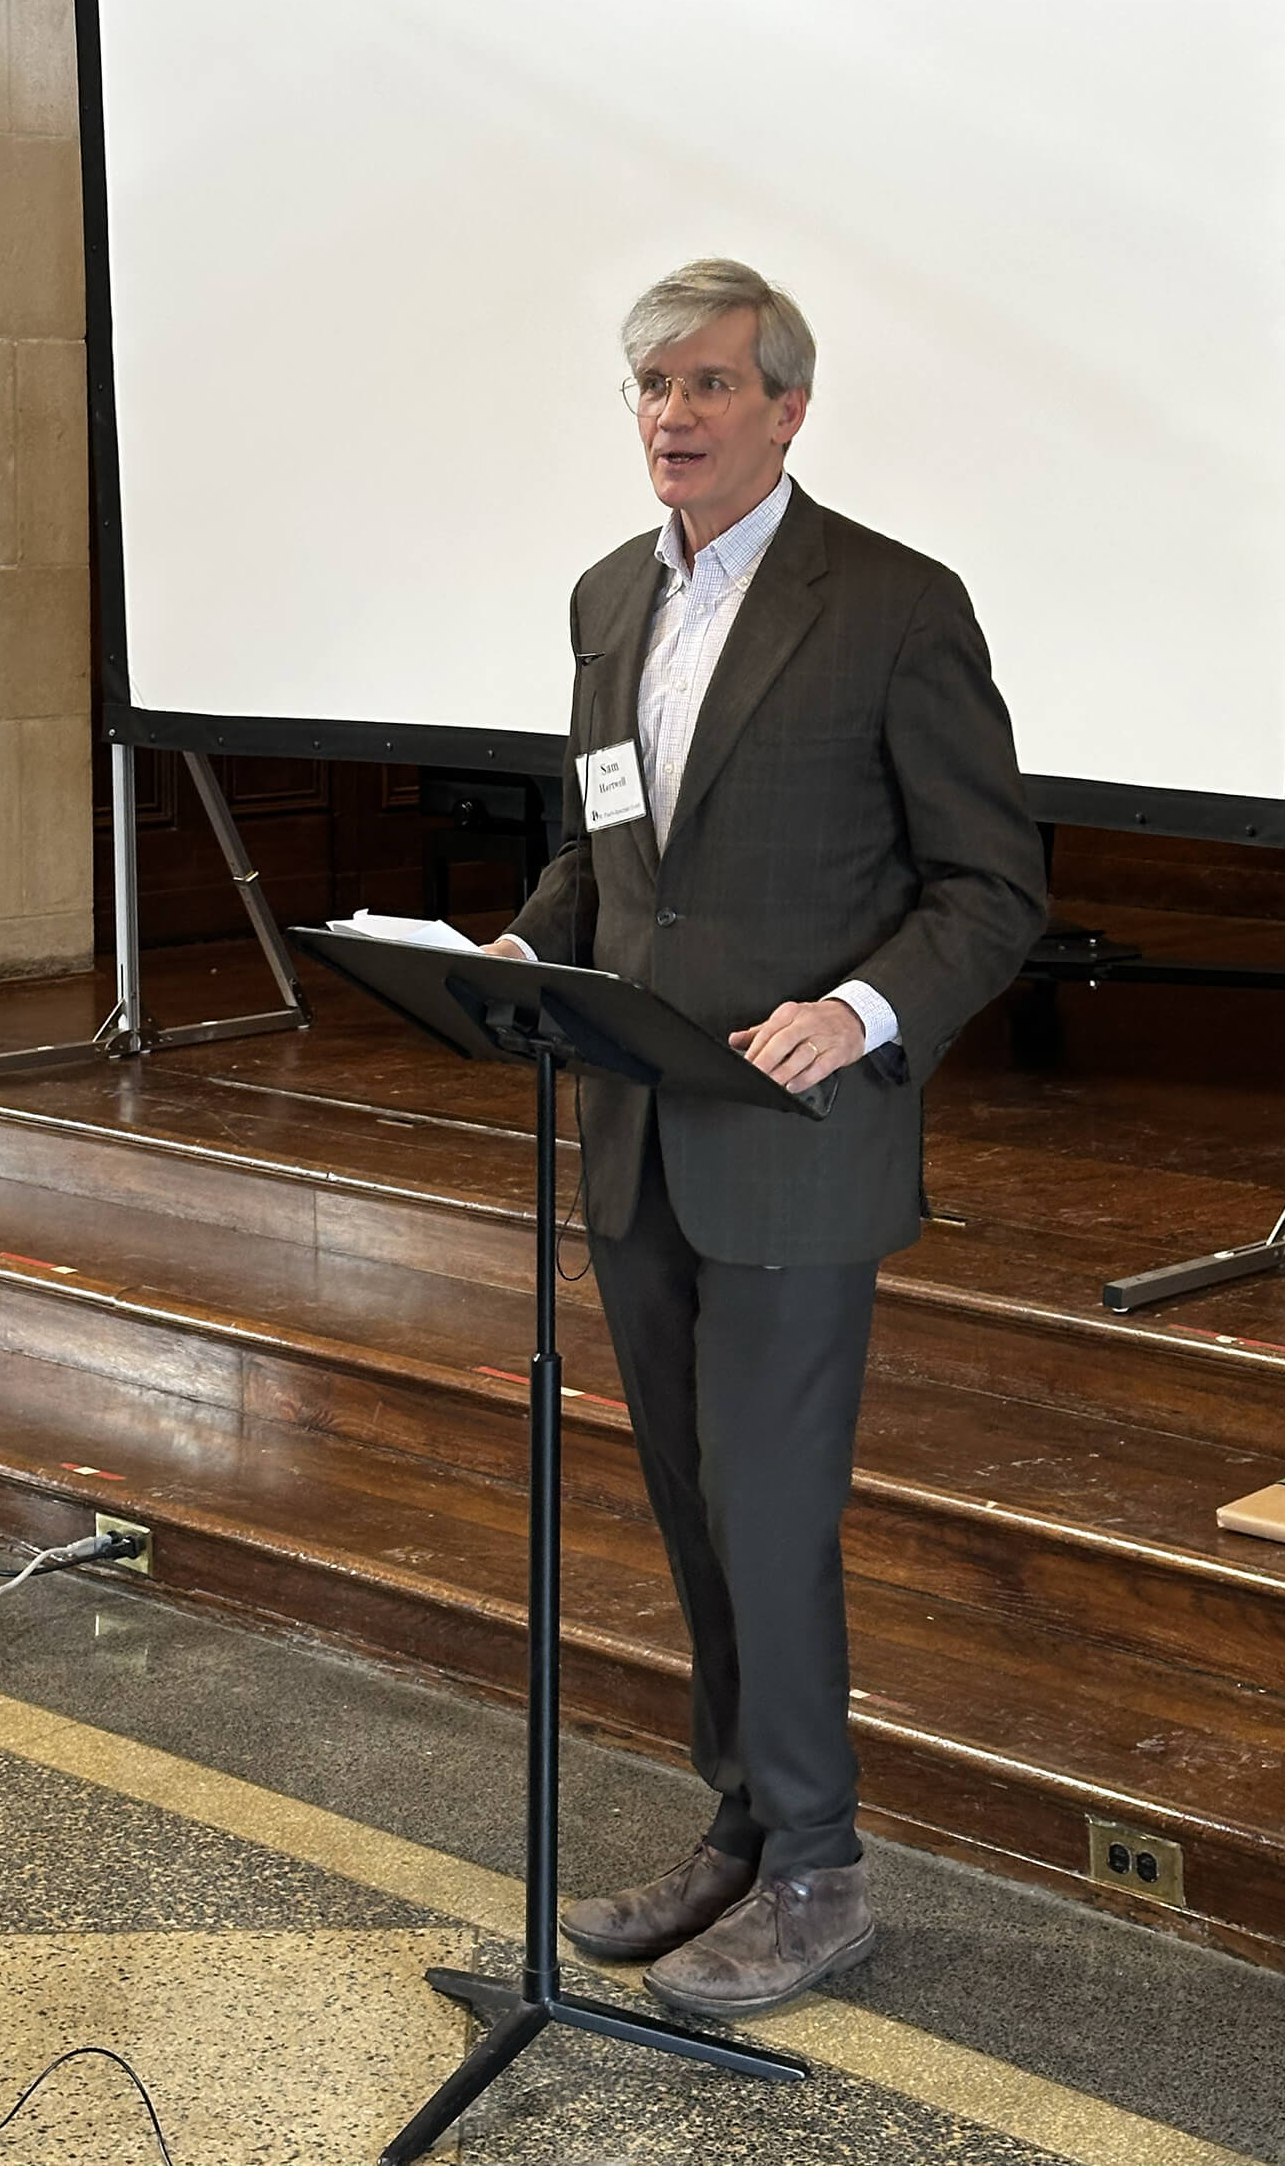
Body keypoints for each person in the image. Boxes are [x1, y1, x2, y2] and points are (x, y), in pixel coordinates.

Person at [487, 257, 1046, 2018]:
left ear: (788, 410)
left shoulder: (893, 606)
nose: (674, 415)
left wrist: (861, 1010)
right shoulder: (607, 597)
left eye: (712, 384)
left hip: (799, 1143)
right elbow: (609, 855)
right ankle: (741, 1826)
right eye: (653, 385)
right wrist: (519, 948)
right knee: (692, 1505)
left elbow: (991, 886)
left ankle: (820, 1870)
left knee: (772, 1511)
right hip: (638, 1133)